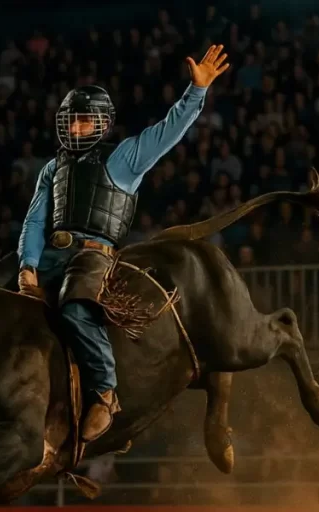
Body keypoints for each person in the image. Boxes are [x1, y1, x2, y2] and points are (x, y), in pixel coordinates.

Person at [16, 45, 231, 442]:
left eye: (83, 122)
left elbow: (169, 130)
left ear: (101, 124)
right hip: (51, 255)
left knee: (77, 308)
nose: (75, 129)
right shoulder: (52, 168)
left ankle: (104, 394)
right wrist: (27, 265)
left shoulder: (124, 158)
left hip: (93, 257)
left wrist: (196, 92)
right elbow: (34, 219)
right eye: (70, 122)